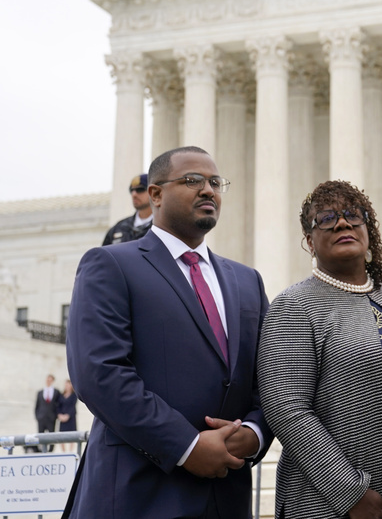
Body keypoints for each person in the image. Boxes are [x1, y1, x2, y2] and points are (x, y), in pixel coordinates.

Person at [66, 146, 272, 518]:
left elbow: (270, 376)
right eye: (192, 180)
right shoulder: (112, 264)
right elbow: (99, 374)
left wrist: (255, 433)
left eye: (215, 182)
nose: (208, 190)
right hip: (137, 494)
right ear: (156, 195)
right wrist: (187, 446)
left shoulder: (247, 281)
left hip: (226, 496)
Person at [258, 180, 382, 519]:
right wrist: (350, 492)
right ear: (310, 242)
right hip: (336, 502)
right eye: (326, 218)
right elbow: (287, 409)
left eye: (354, 215)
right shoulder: (294, 305)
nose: (342, 223)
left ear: (368, 231)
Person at [102, 173, 153, 245]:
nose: (134, 194)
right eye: (131, 190)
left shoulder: (162, 227)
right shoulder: (119, 228)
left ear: (153, 192)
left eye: (140, 189)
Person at [34, 374, 59, 452]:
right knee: (40, 435)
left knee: (51, 435)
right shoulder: (40, 392)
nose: (48, 381)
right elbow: (37, 405)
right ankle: (40, 450)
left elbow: (58, 404)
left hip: (51, 417)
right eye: (47, 379)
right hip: (41, 417)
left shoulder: (56, 392)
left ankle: (51, 450)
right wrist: (37, 416)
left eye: (50, 380)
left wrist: (56, 415)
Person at [57, 379, 78, 452]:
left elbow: (73, 406)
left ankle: (70, 451)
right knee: (62, 434)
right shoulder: (61, 395)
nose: (67, 386)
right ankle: (63, 451)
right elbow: (58, 406)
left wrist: (68, 415)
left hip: (71, 417)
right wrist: (59, 415)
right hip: (62, 417)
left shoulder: (74, 395)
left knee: (72, 434)